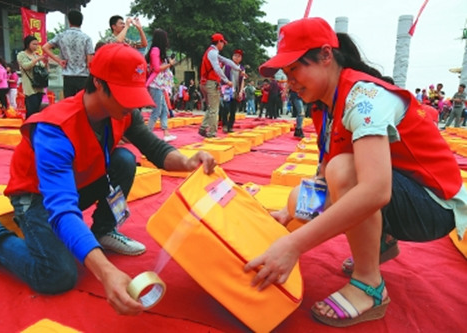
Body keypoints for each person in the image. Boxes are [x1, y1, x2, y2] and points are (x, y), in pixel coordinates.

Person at [243, 17, 467, 327]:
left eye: (295, 68)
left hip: (433, 206)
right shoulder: (324, 106)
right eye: (285, 73)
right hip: (403, 193)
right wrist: (287, 214)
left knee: (345, 170)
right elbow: (323, 177)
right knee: (300, 200)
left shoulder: (364, 98)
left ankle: (369, 286)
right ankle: (381, 242)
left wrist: (293, 245)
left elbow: (375, 190)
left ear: (325, 55)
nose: (289, 81)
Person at [0, 43, 216, 316]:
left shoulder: (123, 112)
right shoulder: (55, 129)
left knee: (123, 159)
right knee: (57, 275)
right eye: (124, 95)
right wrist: (106, 272)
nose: (132, 105)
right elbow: (61, 209)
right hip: (37, 196)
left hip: (81, 180)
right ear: (98, 83)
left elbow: (155, 149)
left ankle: (103, 230)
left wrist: (187, 162)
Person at [198, 33, 245, 138]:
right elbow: (217, 68)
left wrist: (238, 69)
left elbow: (226, 61)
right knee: (214, 109)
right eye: (223, 42)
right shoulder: (213, 52)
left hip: (206, 82)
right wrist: (226, 80)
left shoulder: (212, 52)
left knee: (211, 107)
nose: (223, 45)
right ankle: (212, 133)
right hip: (211, 82)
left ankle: (203, 128)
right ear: (219, 42)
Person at [42, 9, 94, 98]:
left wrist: (59, 60)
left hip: (68, 76)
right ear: (81, 22)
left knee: (70, 103)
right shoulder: (86, 38)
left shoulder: (61, 36)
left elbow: (45, 47)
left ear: (69, 21)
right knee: (83, 103)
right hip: (83, 76)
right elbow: (90, 61)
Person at [145, 28, 177, 142]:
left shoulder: (157, 50)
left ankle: (166, 133)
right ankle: (147, 135)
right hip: (155, 84)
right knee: (157, 110)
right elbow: (156, 68)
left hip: (159, 84)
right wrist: (169, 64)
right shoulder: (155, 50)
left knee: (163, 110)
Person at [17, 35, 48, 119]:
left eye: (37, 44)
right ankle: (28, 128)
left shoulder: (36, 55)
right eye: (33, 44)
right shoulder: (21, 55)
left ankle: (34, 128)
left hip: (39, 86)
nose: (36, 46)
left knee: (37, 109)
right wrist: (37, 60)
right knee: (31, 109)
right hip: (30, 86)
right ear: (27, 44)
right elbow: (26, 66)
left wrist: (46, 63)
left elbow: (43, 68)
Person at [222, 49, 246, 133]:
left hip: (236, 91)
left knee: (233, 109)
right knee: (226, 108)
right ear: (232, 57)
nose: (236, 57)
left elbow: (243, 80)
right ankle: (224, 125)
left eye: (238, 56)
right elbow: (222, 76)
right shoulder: (227, 66)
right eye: (235, 55)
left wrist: (241, 91)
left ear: (241, 58)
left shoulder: (242, 68)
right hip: (227, 91)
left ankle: (230, 126)